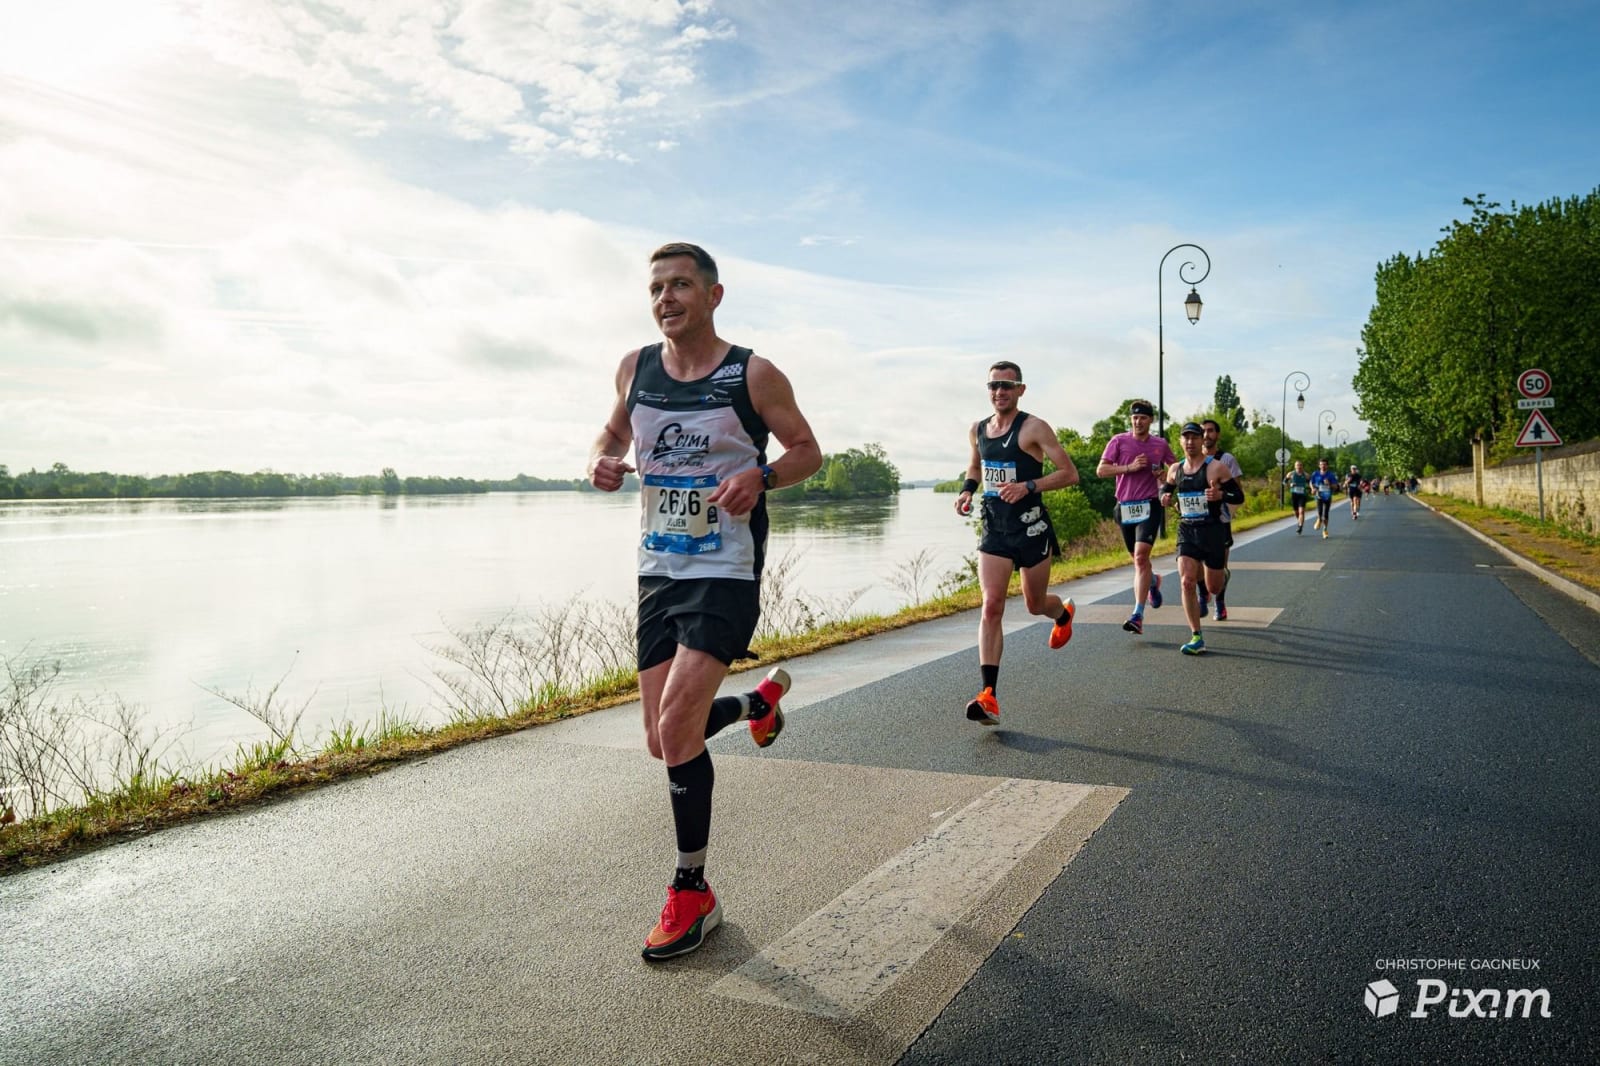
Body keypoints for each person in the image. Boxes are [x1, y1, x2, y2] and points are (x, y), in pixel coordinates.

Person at [588, 242, 822, 961]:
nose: (666, 298)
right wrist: (599, 455)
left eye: (681, 284)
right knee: (664, 740)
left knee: (677, 724)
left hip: (726, 568)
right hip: (658, 569)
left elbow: (808, 450)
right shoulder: (635, 368)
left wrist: (762, 479)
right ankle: (757, 706)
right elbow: (613, 431)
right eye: (657, 287)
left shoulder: (751, 372)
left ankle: (693, 889)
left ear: (714, 295)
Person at [954, 361, 1081, 725]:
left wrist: (1028, 486)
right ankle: (988, 694)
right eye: (993, 385)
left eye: (1007, 386)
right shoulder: (978, 429)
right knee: (991, 605)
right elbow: (976, 467)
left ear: (1021, 389)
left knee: (1034, 603)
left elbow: (1069, 473)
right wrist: (966, 492)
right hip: (995, 529)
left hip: (1031, 528)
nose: (999, 392)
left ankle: (1062, 613)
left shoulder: (1034, 428)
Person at [1159, 422, 1245, 655]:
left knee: (1214, 587)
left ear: (1201, 440)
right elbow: (1164, 490)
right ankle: (1196, 636)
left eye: (1194, 437)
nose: (1190, 442)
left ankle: (1220, 577)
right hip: (1187, 530)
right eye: (1186, 437)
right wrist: (1164, 496)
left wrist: (1219, 495)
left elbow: (1238, 496)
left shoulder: (1216, 467)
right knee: (1186, 580)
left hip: (1213, 531)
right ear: (1180, 441)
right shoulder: (1175, 469)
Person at [1095, 400, 1177, 635]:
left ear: (1151, 420)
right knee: (1137, 560)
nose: (1137, 421)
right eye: (1134, 418)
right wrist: (1129, 467)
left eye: (1142, 418)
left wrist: (1164, 475)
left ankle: (1137, 615)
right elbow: (1101, 471)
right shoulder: (1118, 441)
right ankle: (1153, 581)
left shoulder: (1159, 444)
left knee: (1141, 558)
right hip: (1124, 506)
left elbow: (1176, 468)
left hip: (1149, 506)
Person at [1200, 419, 1243, 621]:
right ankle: (1203, 593)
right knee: (1194, 562)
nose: (1206, 435)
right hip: (1196, 521)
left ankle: (1219, 601)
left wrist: (1227, 511)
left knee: (1219, 566)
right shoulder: (1192, 458)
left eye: (1210, 431)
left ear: (1217, 435)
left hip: (1219, 521)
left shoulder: (1226, 460)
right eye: (1203, 432)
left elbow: (1238, 492)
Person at [1310, 458, 1339, 539]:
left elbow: (1335, 486)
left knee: (1326, 514)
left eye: (1325, 464)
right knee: (1320, 512)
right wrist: (1312, 488)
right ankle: (1319, 519)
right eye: (1321, 464)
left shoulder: (1330, 475)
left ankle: (1325, 530)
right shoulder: (1315, 474)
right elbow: (1311, 482)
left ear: (1327, 465)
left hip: (1327, 496)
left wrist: (1329, 484)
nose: (1323, 466)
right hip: (1319, 496)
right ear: (1319, 465)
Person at [1284, 460, 1311, 534]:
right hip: (1294, 494)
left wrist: (1310, 488)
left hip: (1302, 495)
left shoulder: (1306, 475)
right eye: (1297, 465)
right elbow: (1284, 482)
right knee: (1296, 512)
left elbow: (1311, 484)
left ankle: (1300, 526)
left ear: (1302, 466)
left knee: (1301, 511)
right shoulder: (1291, 474)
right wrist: (1290, 485)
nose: (1299, 466)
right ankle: (1299, 521)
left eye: (1300, 465)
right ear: (1295, 466)